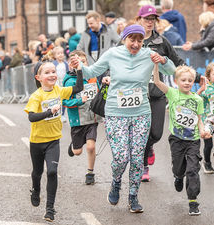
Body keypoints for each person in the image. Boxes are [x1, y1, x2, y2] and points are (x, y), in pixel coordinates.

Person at [71, 24, 176, 213]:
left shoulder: (148, 55)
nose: (135, 44)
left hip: (141, 114)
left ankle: (133, 196)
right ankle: (116, 182)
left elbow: (171, 71)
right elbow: (92, 72)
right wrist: (80, 67)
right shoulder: (113, 54)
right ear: (124, 39)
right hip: (115, 113)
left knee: (136, 158)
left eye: (139, 40)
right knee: (121, 157)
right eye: (132, 39)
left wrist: (163, 59)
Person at [24, 58, 84, 222]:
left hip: (53, 141)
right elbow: (32, 117)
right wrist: (49, 112)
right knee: (37, 173)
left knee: (52, 172)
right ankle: (36, 189)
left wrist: (78, 69)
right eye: (47, 72)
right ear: (38, 78)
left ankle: (50, 209)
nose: (52, 75)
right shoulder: (36, 96)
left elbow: (79, 87)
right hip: (37, 141)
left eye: (53, 72)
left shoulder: (59, 90)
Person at [136, 5, 187, 182]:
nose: (150, 22)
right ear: (139, 20)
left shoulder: (161, 41)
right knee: (141, 133)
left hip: (157, 94)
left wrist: (197, 78)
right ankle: (144, 166)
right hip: (136, 96)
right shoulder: (131, 40)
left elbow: (178, 62)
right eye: (146, 19)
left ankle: (149, 147)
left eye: (152, 19)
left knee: (156, 134)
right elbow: (115, 61)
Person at [153, 64, 205, 216]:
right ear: (176, 81)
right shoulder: (172, 94)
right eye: (184, 80)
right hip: (177, 139)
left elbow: (199, 119)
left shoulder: (197, 99)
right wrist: (156, 66)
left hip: (193, 140)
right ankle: (177, 176)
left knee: (193, 170)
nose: (187, 83)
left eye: (190, 80)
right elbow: (156, 82)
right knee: (178, 168)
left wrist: (202, 130)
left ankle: (193, 201)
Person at [63, 50, 103, 185]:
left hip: (92, 118)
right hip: (77, 121)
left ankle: (90, 172)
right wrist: (79, 100)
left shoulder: (92, 78)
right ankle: (74, 145)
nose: (80, 64)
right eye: (77, 62)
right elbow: (65, 102)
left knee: (91, 147)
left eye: (83, 61)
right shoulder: (69, 82)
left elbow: (98, 94)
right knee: (77, 151)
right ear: (71, 65)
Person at [197, 62, 214, 173]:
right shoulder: (206, 89)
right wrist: (200, 91)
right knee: (209, 144)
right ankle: (207, 163)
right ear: (208, 76)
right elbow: (195, 99)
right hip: (207, 120)